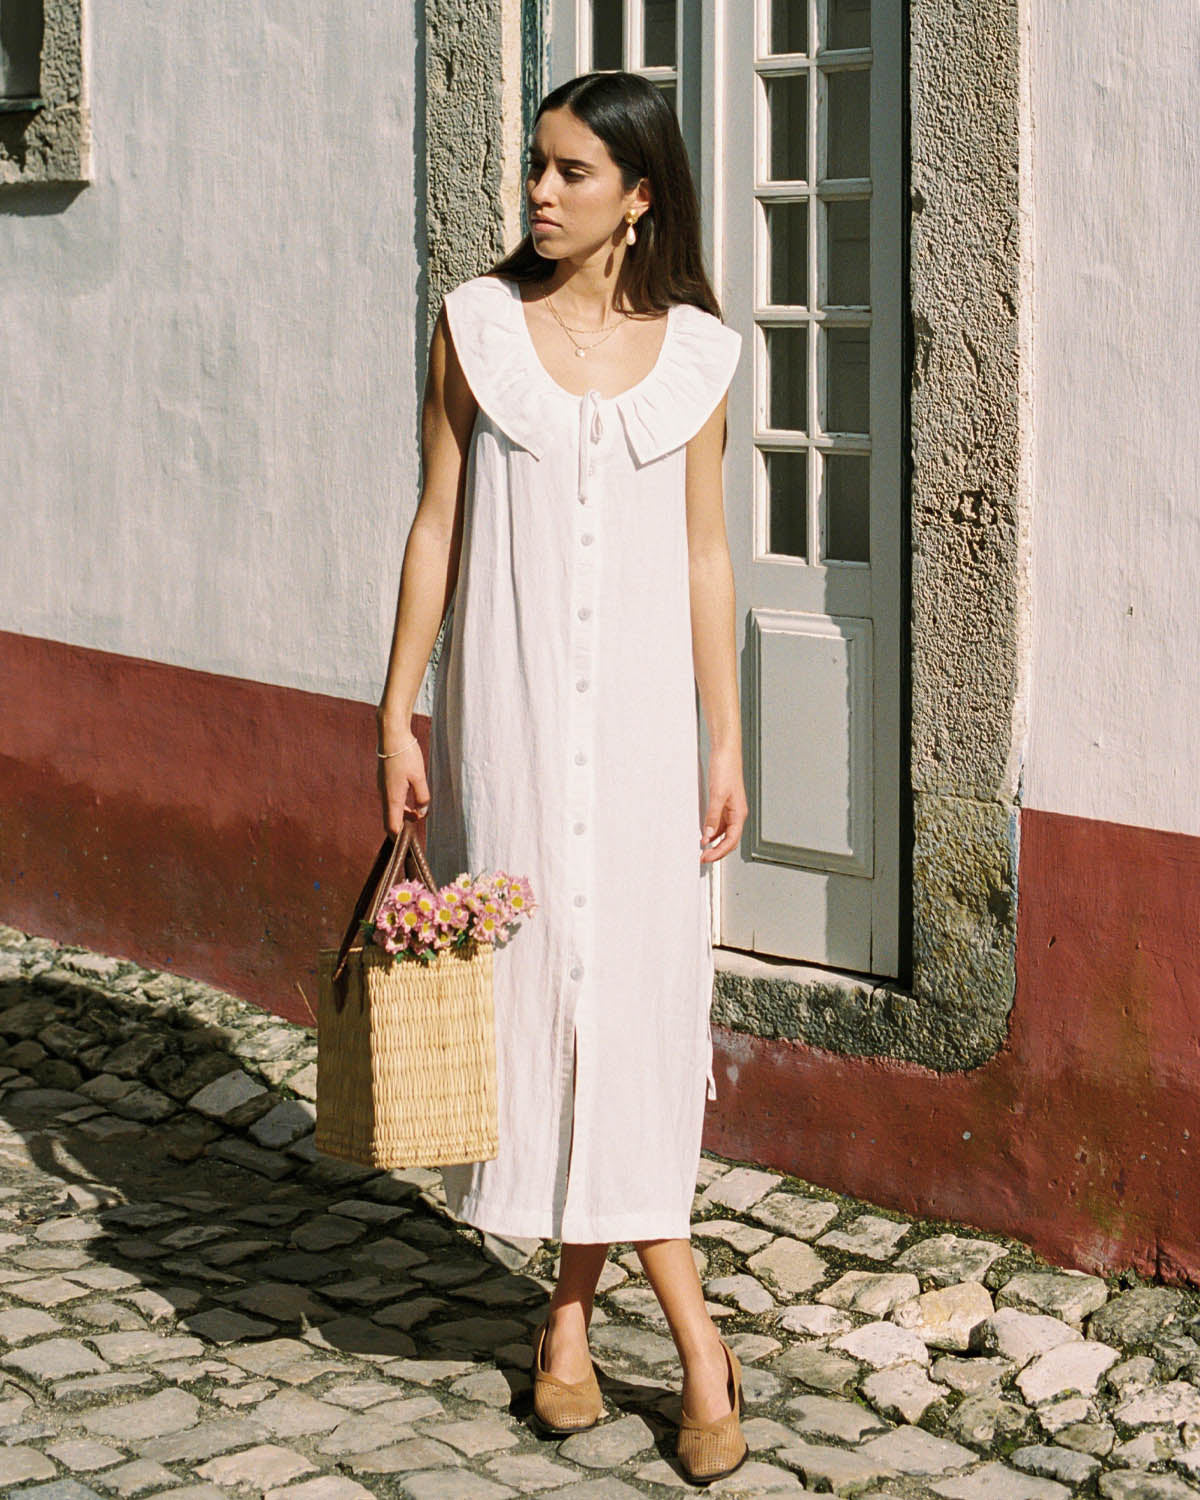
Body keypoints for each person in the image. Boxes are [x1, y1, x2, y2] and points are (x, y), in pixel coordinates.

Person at [375, 70, 749, 1485]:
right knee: (554, 997)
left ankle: (572, 1326)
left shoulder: (704, 356)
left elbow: (708, 555)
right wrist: (396, 710)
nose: (538, 193)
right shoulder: (475, 330)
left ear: (640, 197)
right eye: (537, 167)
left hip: (654, 742)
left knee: (636, 1014)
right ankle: (698, 1339)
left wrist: (726, 738)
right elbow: (435, 523)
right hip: (519, 722)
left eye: (573, 173)